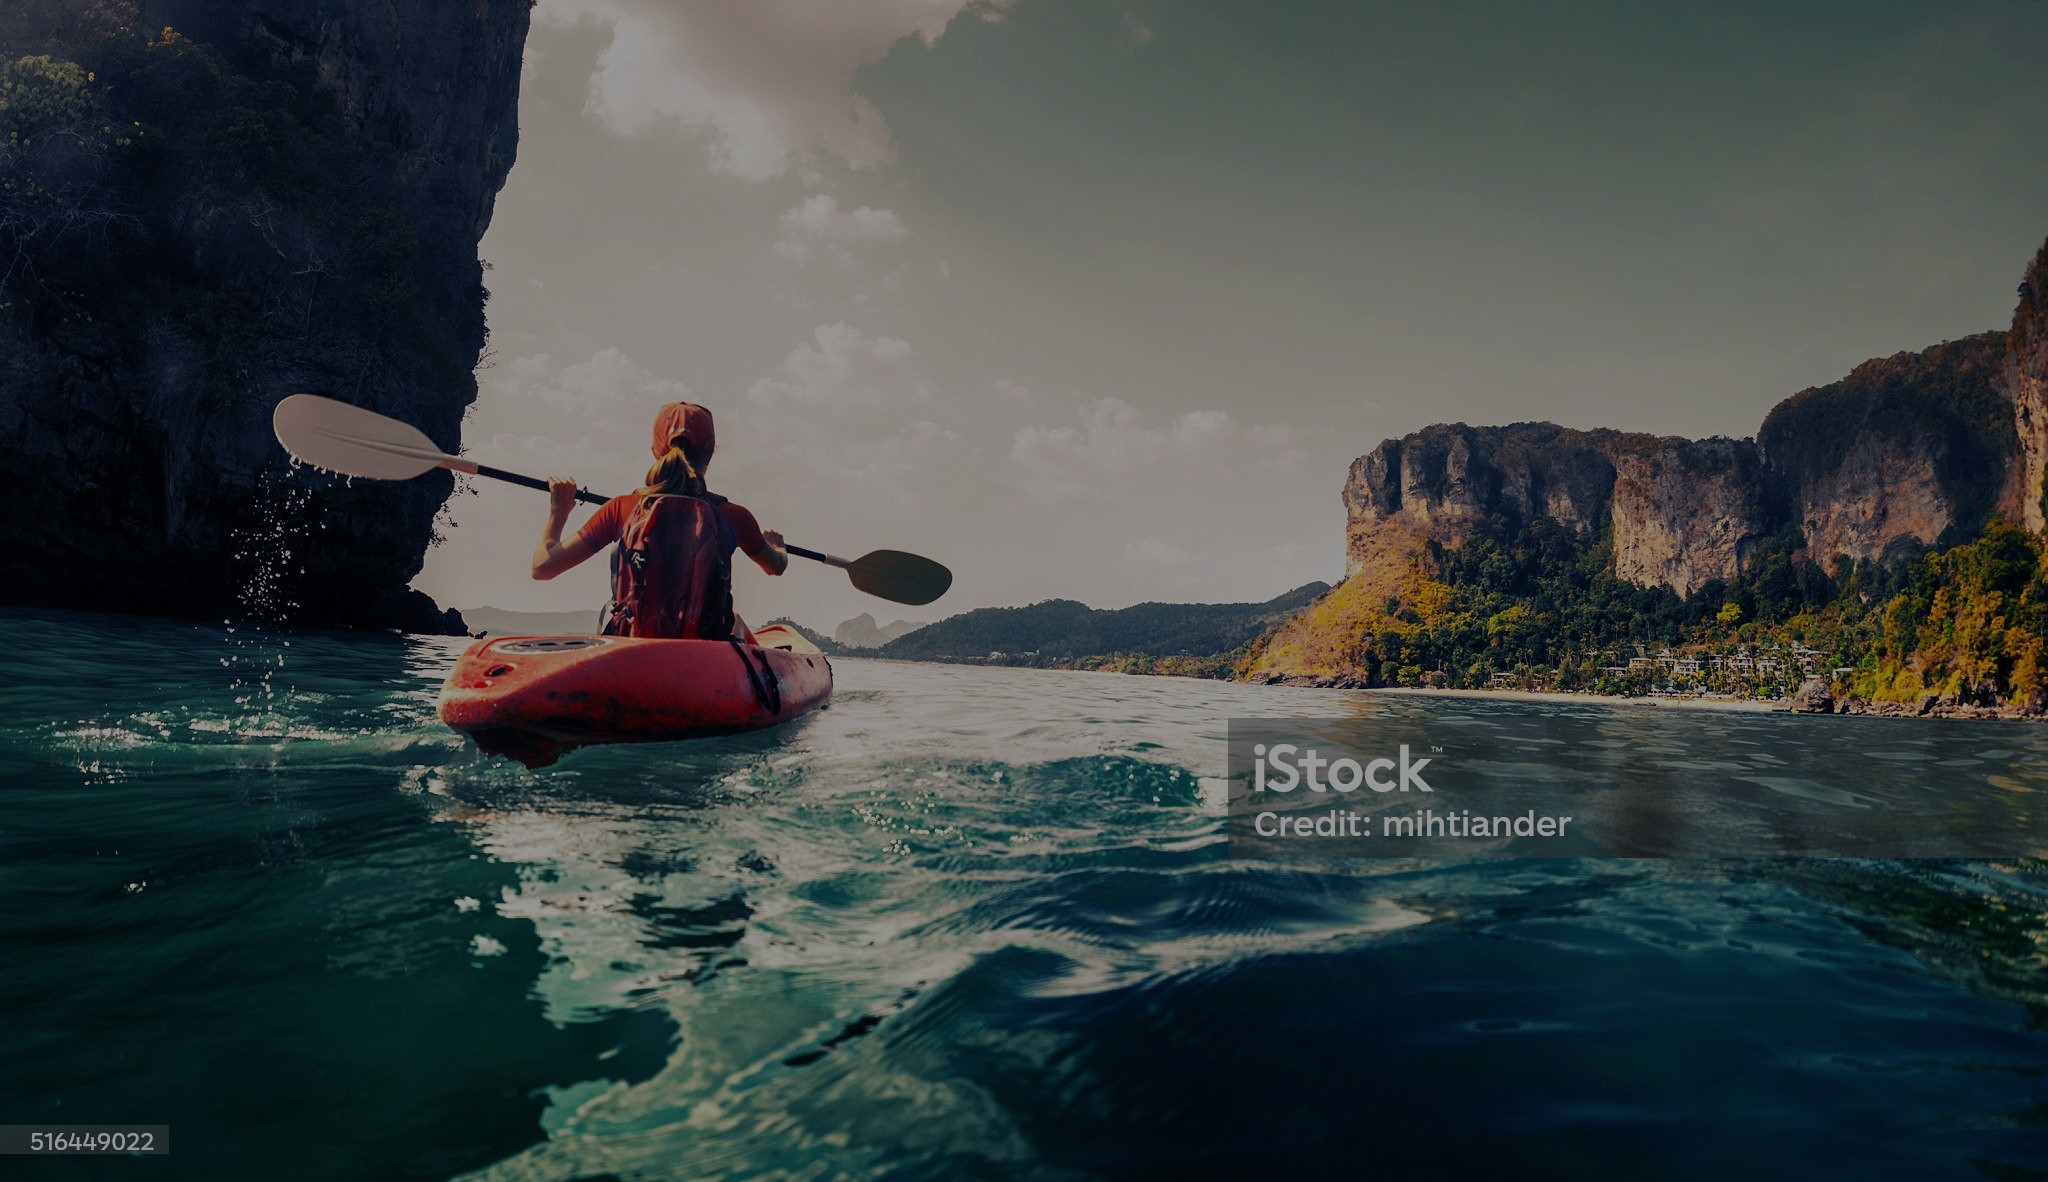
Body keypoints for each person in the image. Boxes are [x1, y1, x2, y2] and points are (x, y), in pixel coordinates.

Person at [530, 401, 788, 640]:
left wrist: (559, 511)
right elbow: (775, 566)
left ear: (655, 450)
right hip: (704, 650)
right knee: (737, 625)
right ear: (710, 453)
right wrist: (777, 546)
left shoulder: (622, 508)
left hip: (632, 646)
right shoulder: (734, 516)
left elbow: (543, 568)